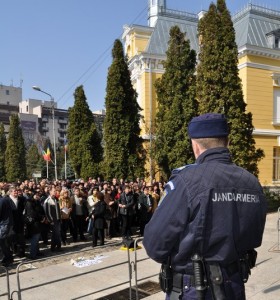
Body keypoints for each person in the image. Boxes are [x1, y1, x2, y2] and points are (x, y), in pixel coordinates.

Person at [143, 113, 267, 300]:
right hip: (234, 286)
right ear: (227, 141)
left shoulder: (186, 180)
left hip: (194, 290)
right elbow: (253, 237)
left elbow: (155, 244)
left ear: (195, 145)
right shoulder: (251, 182)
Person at [24, 192, 46, 259]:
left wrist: (43, 217)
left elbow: (41, 211)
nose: (37, 196)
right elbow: (32, 214)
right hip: (33, 224)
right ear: (32, 195)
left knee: (37, 239)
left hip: (38, 222)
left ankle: (37, 252)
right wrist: (41, 218)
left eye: (38, 195)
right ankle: (32, 255)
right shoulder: (29, 203)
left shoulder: (37, 202)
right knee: (34, 239)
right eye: (36, 195)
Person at [44, 186, 62, 252]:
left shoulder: (56, 199)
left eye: (55, 191)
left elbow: (58, 210)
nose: (55, 192)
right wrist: (51, 220)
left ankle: (53, 247)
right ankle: (58, 246)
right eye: (54, 191)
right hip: (53, 220)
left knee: (55, 234)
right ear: (50, 192)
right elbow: (47, 212)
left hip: (57, 219)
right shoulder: (48, 201)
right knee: (56, 234)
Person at [0, 195, 14, 267]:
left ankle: (8, 259)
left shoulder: (1, 201)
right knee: (6, 242)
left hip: (5, 225)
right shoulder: (5, 199)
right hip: (8, 224)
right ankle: (9, 258)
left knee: (3, 243)